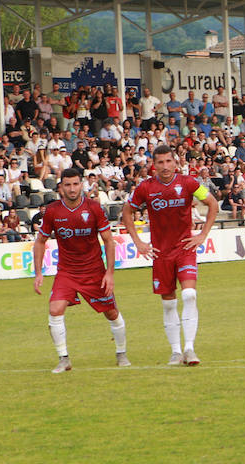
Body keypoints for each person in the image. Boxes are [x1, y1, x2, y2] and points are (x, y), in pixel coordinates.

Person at [122, 144, 219, 366]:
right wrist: (138, 241)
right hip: (160, 253)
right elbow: (127, 211)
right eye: (160, 162)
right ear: (153, 165)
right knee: (168, 304)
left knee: (189, 295)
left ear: (175, 162)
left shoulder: (189, 183)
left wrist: (202, 234)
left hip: (185, 249)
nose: (165, 166)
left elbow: (212, 203)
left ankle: (189, 349)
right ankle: (175, 352)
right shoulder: (145, 188)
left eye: (169, 161)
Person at [32, 167, 129, 373]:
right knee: (54, 310)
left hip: (94, 272)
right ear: (61, 188)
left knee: (112, 313)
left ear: (81, 185)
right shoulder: (52, 211)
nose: (72, 188)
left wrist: (109, 273)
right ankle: (64, 358)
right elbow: (40, 242)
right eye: (67, 185)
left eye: (76, 184)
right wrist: (38, 272)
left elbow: (109, 242)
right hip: (66, 272)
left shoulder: (94, 208)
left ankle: (121, 352)